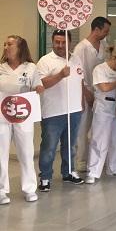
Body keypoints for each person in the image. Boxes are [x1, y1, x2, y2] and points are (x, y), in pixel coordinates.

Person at [37, 30, 86, 192]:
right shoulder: (45, 61)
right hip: (53, 112)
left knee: (71, 145)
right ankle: (45, 177)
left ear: (69, 43)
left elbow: (80, 82)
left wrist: (81, 102)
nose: (60, 45)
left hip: (74, 111)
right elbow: (42, 84)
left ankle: (69, 172)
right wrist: (60, 75)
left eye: (63, 42)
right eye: (57, 42)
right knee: (49, 147)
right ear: (52, 42)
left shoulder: (76, 59)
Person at [0, 36, 44, 204]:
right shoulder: (1, 68)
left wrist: (39, 88)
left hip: (23, 115)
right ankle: (2, 190)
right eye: (5, 44)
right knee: (1, 153)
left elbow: (38, 86)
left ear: (20, 47)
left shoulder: (30, 67)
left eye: (10, 44)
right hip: (3, 115)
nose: (6, 46)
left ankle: (29, 188)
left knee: (26, 152)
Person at [85, 46, 116, 184]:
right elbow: (104, 87)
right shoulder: (100, 69)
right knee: (99, 140)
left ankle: (114, 167)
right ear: (115, 58)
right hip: (103, 107)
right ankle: (93, 171)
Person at [73, 16, 111, 171]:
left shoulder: (104, 45)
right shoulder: (81, 48)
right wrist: (86, 93)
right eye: (105, 31)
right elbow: (77, 74)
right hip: (85, 92)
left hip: (101, 92)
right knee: (83, 128)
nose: (106, 34)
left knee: (98, 129)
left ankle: (97, 160)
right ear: (96, 29)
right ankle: (81, 161)